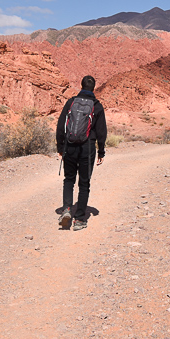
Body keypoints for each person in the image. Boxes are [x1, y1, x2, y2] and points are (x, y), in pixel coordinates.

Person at [56, 75, 107, 231]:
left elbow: (61, 125)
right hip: (88, 148)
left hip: (70, 146)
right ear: (93, 88)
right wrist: (101, 151)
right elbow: (101, 132)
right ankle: (79, 220)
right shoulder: (96, 106)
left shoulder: (71, 102)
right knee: (84, 183)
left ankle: (66, 209)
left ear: (81, 85)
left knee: (69, 179)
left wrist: (60, 147)